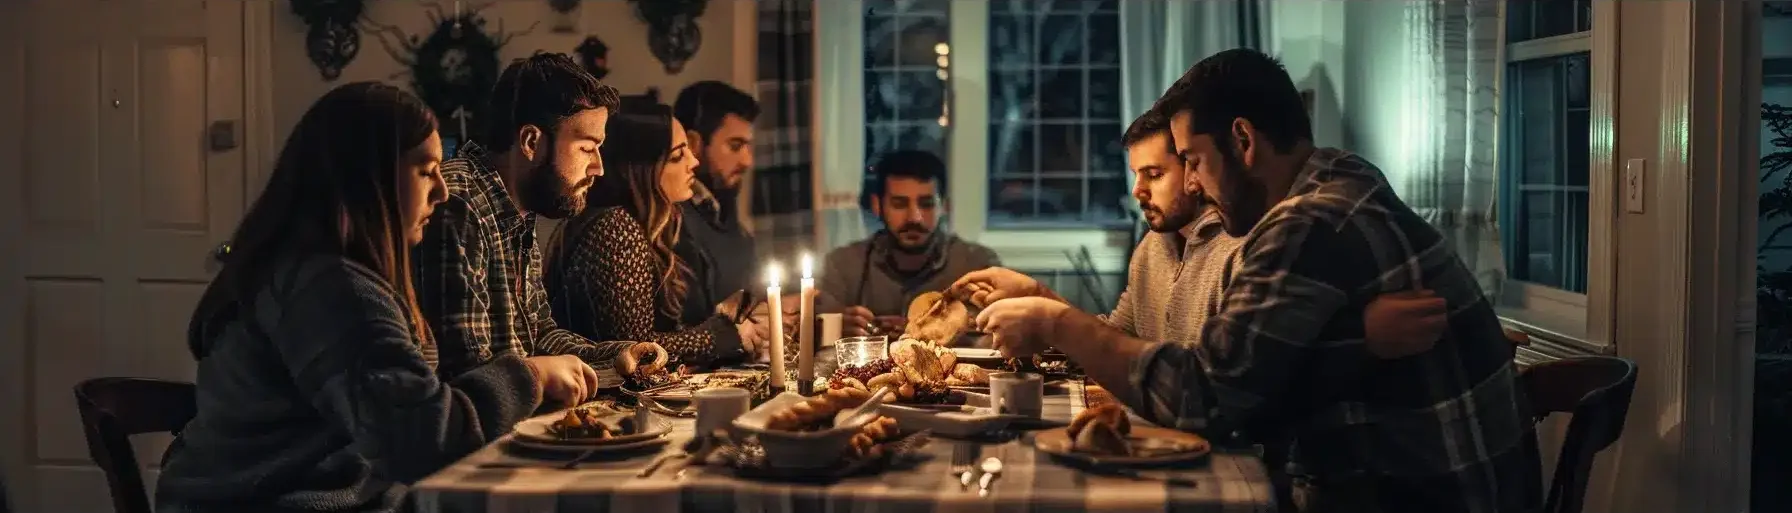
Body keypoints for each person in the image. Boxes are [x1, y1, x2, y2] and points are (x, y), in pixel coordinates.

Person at [968, 49, 1539, 512]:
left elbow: (1206, 400)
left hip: (1412, 494)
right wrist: (1351, 339)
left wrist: (1056, 319)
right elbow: (1250, 380)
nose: (1191, 184)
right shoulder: (1344, 178)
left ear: (1243, 141)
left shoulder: (1306, 220)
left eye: (1190, 159)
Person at [157, 82, 553, 513]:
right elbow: (421, 442)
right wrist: (530, 376)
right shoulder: (329, 290)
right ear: (368, 177)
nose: (441, 192)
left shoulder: (313, 270)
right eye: (426, 169)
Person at [414, 53, 662, 402]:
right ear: (531, 142)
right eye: (587, 148)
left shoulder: (518, 206)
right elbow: (468, 372)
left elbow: (539, 334)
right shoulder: (458, 206)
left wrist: (618, 356)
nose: (598, 168)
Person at [1098, 109, 1448, 353]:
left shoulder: (1258, 241)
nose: (1137, 190)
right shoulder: (1152, 248)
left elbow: (1233, 376)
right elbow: (1118, 338)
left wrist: (1062, 324)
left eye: (1154, 174)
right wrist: (1056, 313)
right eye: (1136, 174)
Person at [543, 99, 773, 369]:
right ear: (642, 170)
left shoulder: (644, 224)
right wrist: (718, 337)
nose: (693, 162)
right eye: (677, 156)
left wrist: (720, 321)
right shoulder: (616, 228)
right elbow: (636, 349)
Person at [818, 150, 1000, 338]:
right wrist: (835, 329)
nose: (914, 217)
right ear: (877, 205)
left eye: (927, 203)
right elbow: (816, 333)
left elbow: (1001, 338)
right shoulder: (843, 265)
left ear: (945, 206)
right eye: (899, 204)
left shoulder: (977, 265)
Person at [670, 81, 767, 328]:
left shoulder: (726, 216)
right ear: (694, 143)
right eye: (735, 146)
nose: (747, 161)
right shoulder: (671, 220)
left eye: (748, 146)